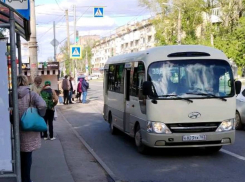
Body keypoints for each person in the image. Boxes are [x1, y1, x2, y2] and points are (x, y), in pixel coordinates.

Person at [16, 75, 47, 182]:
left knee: (17, 155)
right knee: (27, 155)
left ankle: (18, 177)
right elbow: (42, 105)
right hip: (29, 128)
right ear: (25, 82)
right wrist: (39, 115)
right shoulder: (31, 94)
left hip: (15, 129)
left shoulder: (11, 95)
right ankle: (26, 179)